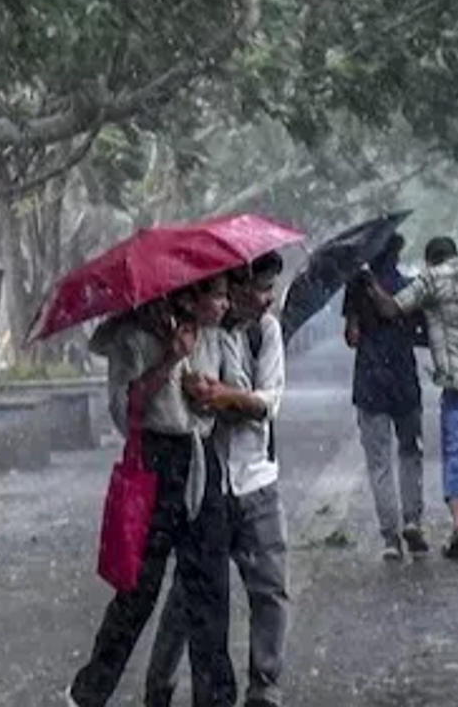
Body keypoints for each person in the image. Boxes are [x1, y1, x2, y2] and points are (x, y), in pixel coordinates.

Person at [67, 275, 239, 707]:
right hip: (155, 464)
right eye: (214, 295)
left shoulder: (216, 338)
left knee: (210, 588)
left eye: (224, 295)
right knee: (138, 593)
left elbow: (232, 396)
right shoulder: (133, 338)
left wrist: (211, 396)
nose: (223, 303)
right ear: (188, 296)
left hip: (202, 459)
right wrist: (168, 361)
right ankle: (89, 692)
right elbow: (127, 413)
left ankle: (215, 697)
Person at [147, 252, 289, 707]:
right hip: (205, 483)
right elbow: (187, 406)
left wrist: (225, 397)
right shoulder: (198, 334)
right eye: (256, 289)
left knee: (269, 589)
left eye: (270, 290)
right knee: (189, 597)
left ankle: (264, 687)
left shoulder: (265, 332)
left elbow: (267, 402)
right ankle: (161, 683)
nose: (265, 300)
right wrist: (211, 398)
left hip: (256, 480)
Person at [366, 236, 458, 560]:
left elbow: (390, 308)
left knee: (457, 455)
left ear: (431, 261)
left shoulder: (432, 279)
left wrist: (368, 281)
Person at [341, 234, 430, 561]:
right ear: (397, 254)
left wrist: (363, 313)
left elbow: (352, 338)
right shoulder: (410, 287)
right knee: (411, 453)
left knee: (378, 463)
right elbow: (421, 331)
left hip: (369, 382)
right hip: (404, 380)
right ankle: (413, 520)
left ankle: (391, 538)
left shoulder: (356, 287)